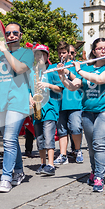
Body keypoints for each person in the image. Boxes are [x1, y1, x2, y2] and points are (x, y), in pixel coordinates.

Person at [57, 38, 105, 192]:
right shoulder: (87, 68)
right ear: (94, 51)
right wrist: (62, 76)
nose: (103, 51)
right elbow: (72, 86)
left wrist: (78, 70)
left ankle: (99, 176)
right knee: (91, 147)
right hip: (87, 112)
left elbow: (100, 79)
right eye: (99, 48)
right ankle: (94, 171)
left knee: (99, 144)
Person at [0, 22, 34, 193]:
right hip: (0, 101)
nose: (11, 36)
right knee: (10, 140)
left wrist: (4, 51)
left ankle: (6, 177)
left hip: (17, 101)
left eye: (15, 33)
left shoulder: (27, 53)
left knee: (8, 139)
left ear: (20, 35)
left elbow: (19, 69)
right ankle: (19, 171)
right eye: (8, 33)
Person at [32, 44, 63, 176]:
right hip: (37, 108)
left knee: (48, 135)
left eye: (42, 54)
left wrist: (48, 85)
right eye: (37, 55)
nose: (39, 57)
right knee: (39, 138)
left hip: (50, 107)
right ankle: (43, 163)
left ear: (47, 56)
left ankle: (51, 164)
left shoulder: (52, 70)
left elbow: (60, 88)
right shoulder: (33, 71)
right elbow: (28, 89)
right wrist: (30, 99)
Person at [54, 42, 83, 165]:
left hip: (75, 102)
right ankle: (63, 154)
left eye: (64, 52)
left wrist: (66, 71)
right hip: (59, 103)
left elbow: (78, 79)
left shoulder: (76, 65)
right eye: (60, 52)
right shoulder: (54, 67)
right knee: (62, 130)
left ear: (69, 53)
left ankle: (77, 150)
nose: (62, 55)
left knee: (76, 127)